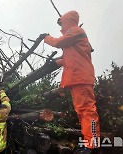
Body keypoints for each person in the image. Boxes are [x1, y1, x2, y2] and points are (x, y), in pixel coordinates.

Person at [42, 11, 100, 153]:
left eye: (61, 22)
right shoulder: (75, 36)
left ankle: (93, 145)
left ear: (68, 21)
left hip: (81, 78)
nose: (61, 26)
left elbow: (58, 42)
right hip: (78, 78)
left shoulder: (76, 31)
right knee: (81, 111)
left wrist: (46, 37)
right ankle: (88, 142)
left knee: (87, 110)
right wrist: (56, 63)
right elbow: (72, 57)